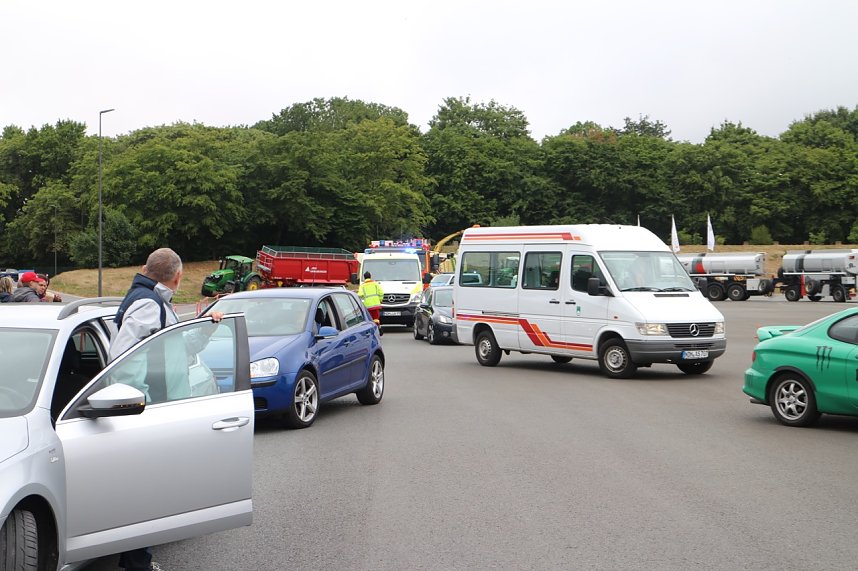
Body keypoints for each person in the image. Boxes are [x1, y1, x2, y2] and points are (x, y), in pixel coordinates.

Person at [110, 248, 223, 571]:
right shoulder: (148, 304)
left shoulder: (154, 301)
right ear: (177, 277)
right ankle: (137, 564)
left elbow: (176, 348)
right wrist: (142, 405)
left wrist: (206, 327)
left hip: (157, 409)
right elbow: (123, 361)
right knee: (147, 491)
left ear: (146, 268)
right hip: (151, 411)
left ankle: (134, 558)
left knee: (149, 488)